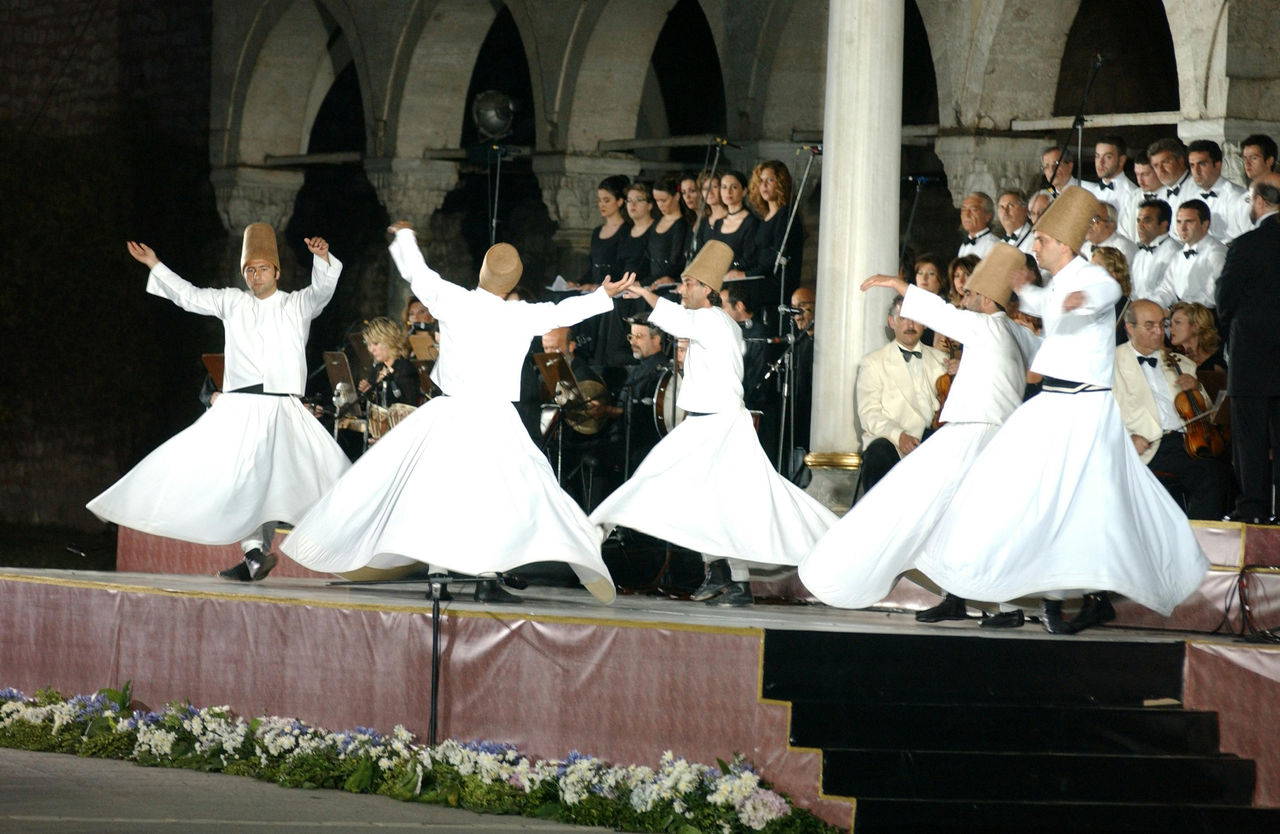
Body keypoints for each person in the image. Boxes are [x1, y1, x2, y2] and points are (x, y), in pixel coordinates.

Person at [280, 224, 636, 603]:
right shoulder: (520, 315)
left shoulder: (455, 300)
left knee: (441, 490)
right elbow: (564, 310)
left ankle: (438, 573)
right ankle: (485, 575)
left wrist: (405, 238)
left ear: (482, 274)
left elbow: (417, 274)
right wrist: (603, 295)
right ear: (511, 282)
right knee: (497, 494)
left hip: (450, 412)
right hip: (494, 417)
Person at [913, 187, 1208, 634]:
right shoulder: (1059, 284)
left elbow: (1108, 291)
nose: (1035, 245)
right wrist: (1030, 293)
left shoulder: (1092, 278)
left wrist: (1074, 302)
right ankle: (1035, 590)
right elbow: (1050, 306)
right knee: (1031, 491)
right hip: (1054, 402)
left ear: (1065, 246)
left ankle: (1070, 596)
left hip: (1082, 407)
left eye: (1043, 241)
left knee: (1086, 500)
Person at [88, 224, 350, 581]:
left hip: (282, 407)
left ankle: (343, 544)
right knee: (226, 474)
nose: (256, 277)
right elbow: (190, 296)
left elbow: (321, 292)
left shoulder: (295, 304)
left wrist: (322, 258)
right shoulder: (233, 301)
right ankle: (253, 552)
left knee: (315, 475)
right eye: (250, 270)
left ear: (276, 271)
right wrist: (155, 265)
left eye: (262, 269)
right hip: (239, 407)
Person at [588, 241, 837, 607]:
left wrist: (643, 292)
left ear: (707, 289)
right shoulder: (712, 324)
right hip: (708, 425)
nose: (682, 288)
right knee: (712, 501)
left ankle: (591, 542)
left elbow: (677, 319)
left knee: (679, 488)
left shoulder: (711, 320)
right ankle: (725, 575)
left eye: (688, 283)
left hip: (717, 427)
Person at [801, 243, 1038, 623]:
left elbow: (944, 314)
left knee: (964, 516)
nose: (967, 300)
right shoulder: (1012, 330)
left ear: (987, 298)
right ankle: (960, 596)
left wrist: (900, 285)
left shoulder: (985, 326)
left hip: (977, 436)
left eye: (973, 294)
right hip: (989, 436)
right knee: (965, 519)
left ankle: (998, 603)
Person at [1113, 300, 1229, 520]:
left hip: (1185, 443)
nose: (1159, 332)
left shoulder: (1182, 363)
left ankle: (1196, 543)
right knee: (1209, 474)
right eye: (1150, 326)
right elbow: (1100, 414)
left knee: (1216, 473)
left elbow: (1204, 410)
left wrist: (1197, 388)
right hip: (1145, 445)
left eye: (1161, 324)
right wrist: (1127, 438)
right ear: (1130, 328)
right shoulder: (1111, 362)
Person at [1216, 172, 1280, 524]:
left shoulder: (1244, 245)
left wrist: (1231, 335)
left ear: (1258, 201)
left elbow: (1225, 300)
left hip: (1251, 358)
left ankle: (1252, 509)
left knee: (1249, 439)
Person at [854, 294, 948, 494]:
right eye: (904, 317)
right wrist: (899, 436)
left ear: (924, 324)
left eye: (915, 318)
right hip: (893, 444)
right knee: (878, 452)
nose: (910, 324)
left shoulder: (942, 360)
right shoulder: (873, 362)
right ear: (892, 322)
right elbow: (869, 414)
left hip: (935, 443)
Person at [748, 159, 806, 304]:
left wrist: (745, 274)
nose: (764, 185)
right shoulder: (765, 217)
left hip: (778, 286)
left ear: (781, 183)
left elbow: (774, 255)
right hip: (763, 280)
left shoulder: (786, 214)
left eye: (770, 180)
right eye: (761, 181)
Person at [1151, 200, 1226, 310]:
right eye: (1179, 222)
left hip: (1208, 319)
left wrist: (1180, 309)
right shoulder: (1179, 256)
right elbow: (1166, 289)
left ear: (1205, 224)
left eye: (1189, 222)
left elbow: (1213, 296)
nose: (1182, 228)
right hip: (1182, 315)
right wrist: (1153, 306)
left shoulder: (1216, 253)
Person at [1186, 140, 1246, 243]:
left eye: (1202, 164)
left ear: (1217, 166)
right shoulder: (1191, 196)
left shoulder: (1237, 196)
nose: (1196, 171)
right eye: (1192, 165)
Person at [359, 316, 419, 407]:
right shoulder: (378, 368)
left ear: (389, 340)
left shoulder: (404, 368)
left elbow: (409, 407)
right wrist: (368, 392)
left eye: (375, 343)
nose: (371, 349)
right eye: (368, 344)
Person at [646, 175, 690, 288]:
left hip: (667, 284)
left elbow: (675, 263)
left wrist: (646, 282)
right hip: (651, 279)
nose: (660, 204)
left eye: (663, 200)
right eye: (657, 200)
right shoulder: (656, 221)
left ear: (676, 196)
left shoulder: (681, 225)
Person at [1130, 199, 1178, 301]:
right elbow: (1134, 292)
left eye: (1147, 221)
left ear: (1164, 225)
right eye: (1138, 221)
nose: (1140, 226)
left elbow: (1169, 293)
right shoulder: (1139, 254)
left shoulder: (1173, 252)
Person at [1169, 301, 1226, 378]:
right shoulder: (1172, 360)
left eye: (1177, 322)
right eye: (1170, 324)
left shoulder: (1217, 363)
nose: (1170, 329)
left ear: (1195, 326)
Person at [1148, 137, 1193, 234]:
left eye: (1165, 162)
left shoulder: (1198, 189)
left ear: (1181, 161)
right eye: (1156, 166)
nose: (1161, 169)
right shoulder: (1159, 195)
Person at [956, 192, 997, 259]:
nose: (967, 215)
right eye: (963, 210)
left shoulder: (993, 245)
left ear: (988, 216)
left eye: (973, 210)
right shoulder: (964, 245)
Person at [996, 189, 1034, 254]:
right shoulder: (998, 245)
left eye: (1011, 206)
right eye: (1001, 207)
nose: (1005, 211)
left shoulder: (1035, 239)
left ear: (1025, 210)